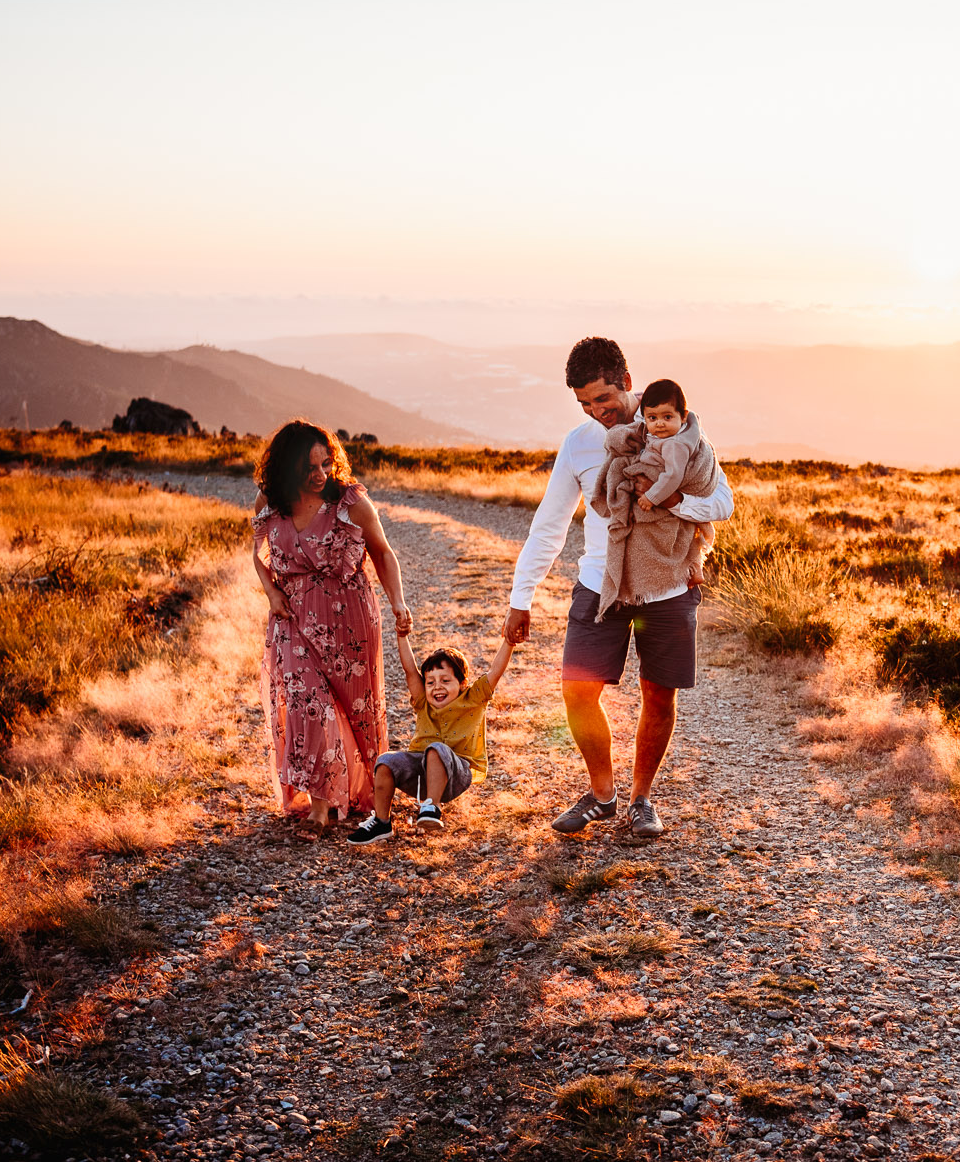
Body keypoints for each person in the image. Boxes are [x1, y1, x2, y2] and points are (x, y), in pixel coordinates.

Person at [503, 338, 734, 842]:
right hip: (597, 584)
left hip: (667, 587)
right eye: (584, 404)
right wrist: (522, 597)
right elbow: (550, 523)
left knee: (658, 693)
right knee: (576, 691)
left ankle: (642, 800)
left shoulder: (674, 430)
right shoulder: (579, 444)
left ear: (626, 384)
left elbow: (723, 502)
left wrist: (674, 503)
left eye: (602, 400)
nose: (595, 411)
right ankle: (602, 795)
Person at [251, 420, 409, 830]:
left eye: (325, 463)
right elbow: (259, 553)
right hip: (293, 621)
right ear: (286, 469)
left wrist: (398, 603)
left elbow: (383, 553)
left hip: (350, 622)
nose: (321, 475)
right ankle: (320, 805)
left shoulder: (350, 503)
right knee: (308, 703)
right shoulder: (269, 503)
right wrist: (271, 592)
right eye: (309, 468)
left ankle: (365, 792)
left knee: (358, 715)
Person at [349, 633, 515, 845]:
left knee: (436, 749)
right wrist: (402, 635)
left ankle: (431, 807)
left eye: (445, 680)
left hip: (456, 773)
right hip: (420, 774)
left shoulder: (474, 698)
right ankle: (382, 822)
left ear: (463, 683)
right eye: (430, 682)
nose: (437, 687)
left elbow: (495, 672)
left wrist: (509, 642)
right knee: (385, 761)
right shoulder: (423, 702)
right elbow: (410, 671)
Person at [590, 377, 718, 620]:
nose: (659, 424)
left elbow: (672, 476)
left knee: (674, 531)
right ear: (644, 417)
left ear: (683, 416)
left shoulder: (676, 445)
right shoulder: (664, 438)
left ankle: (691, 567)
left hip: (661, 500)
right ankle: (694, 566)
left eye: (667, 417)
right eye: (653, 418)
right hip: (671, 500)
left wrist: (652, 497)